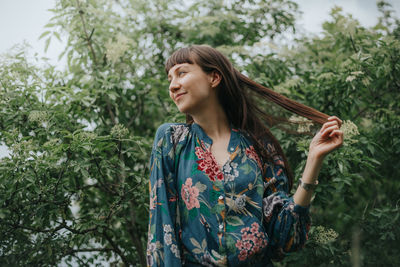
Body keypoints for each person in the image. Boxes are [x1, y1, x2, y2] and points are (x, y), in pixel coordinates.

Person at [146, 45, 343, 267]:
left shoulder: (260, 146)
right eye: (169, 78)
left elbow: (287, 238)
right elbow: (162, 235)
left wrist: (313, 160)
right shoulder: (172, 140)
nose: (173, 86)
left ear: (214, 78)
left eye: (181, 73)